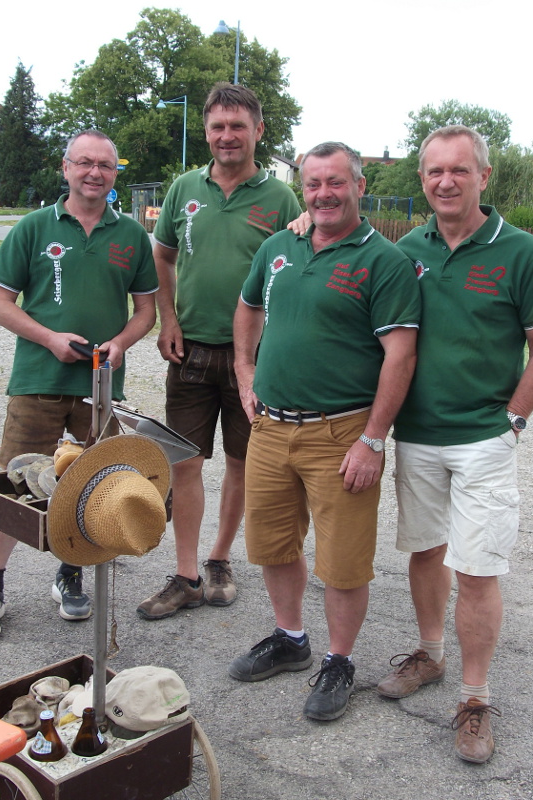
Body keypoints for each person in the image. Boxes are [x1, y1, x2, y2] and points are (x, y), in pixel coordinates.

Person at [376, 125, 533, 762]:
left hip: (485, 438)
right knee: (425, 551)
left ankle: (475, 698)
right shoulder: (407, 251)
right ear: (422, 179)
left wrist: (512, 421)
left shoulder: (521, 251)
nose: (445, 182)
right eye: (434, 172)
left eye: (459, 171)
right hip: (419, 437)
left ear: (484, 176)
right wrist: (298, 225)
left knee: (478, 569)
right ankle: (429, 654)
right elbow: (341, 243)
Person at [228, 141, 421, 721]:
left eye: (336, 182)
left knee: (343, 560)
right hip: (270, 428)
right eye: (313, 184)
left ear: (359, 187)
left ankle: (339, 661)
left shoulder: (382, 261)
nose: (324, 194)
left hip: (342, 435)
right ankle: (290, 638)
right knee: (273, 544)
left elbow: (401, 356)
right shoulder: (278, 246)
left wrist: (373, 438)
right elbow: (247, 308)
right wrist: (244, 371)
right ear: (302, 188)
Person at [0, 130, 158, 638]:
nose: (94, 172)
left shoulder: (132, 237)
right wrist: (51, 339)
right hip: (38, 379)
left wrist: (121, 344)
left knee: (87, 484)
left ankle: (70, 573)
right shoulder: (34, 228)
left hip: (99, 388)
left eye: (105, 165)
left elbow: (146, 312)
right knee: (12, 485)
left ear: (115, 173)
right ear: (66, 168)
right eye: (84, 163)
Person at [136, 83, 302, 620]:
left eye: (237, 126)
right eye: (217, 127)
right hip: (190, 350)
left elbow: (301, 268)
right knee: (184, 462)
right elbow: (161, 257)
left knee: (241, 463)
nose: (227, 136)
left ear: (257, 131)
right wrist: (168, 317)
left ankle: (219, 559)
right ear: (206, 132)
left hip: (252, 359)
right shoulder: (185, 187)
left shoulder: (281, 199)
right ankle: (185, 575)